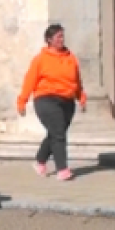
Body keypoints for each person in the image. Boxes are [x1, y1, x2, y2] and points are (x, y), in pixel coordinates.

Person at [17, 24, 88, 181]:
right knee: (58, 133)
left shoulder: (71, 58)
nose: (62, 39)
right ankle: (62, 169)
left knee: (56, 133)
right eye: (58, 37)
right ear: (49, 40)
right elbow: (30, 80)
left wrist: (81, 97)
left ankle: (40, 161)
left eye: (62, 36)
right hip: (46, 99)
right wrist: (22, 101)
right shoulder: (40, 59)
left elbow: (77, 80)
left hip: (67, 100)